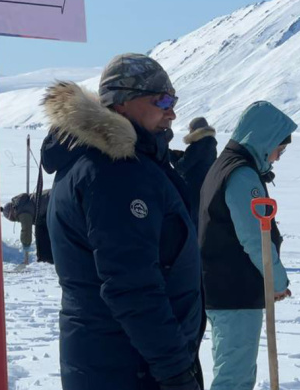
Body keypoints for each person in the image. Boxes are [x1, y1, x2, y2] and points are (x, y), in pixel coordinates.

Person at [42, 53, 203, 390]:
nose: (172, 111)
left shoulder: (107, 162)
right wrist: (175, 371)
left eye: (174, 99)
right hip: (130, 367)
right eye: (162, 100)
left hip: (118, 360)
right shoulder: (114, 173)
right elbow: (132, 286)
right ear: (122, 104)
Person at [199, 101, 296, 390]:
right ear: (265, 140)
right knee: (235, 378)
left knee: (233, 370)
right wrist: (276, 281)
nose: (278, 157)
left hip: (224, 287)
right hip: (235, 290)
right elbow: (255, 237)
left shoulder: (225, 165)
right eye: (280, 148)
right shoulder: (241, 175)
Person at [172, 117, 218, 219]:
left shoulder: (197, 146)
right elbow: (199, 161)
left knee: (191, 221)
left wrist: (170, 155)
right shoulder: (210, 143)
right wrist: (182, 155)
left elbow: (181, 167)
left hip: (192, 189)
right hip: (204, 187)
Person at [1, 189, 53, 264]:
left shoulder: (22, 211)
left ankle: (48, 259)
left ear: (12, 212)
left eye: (12, 218)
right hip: (52, 198)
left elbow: (26, 231)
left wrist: (26, 248)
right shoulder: (22, 203)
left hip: (54, 202)